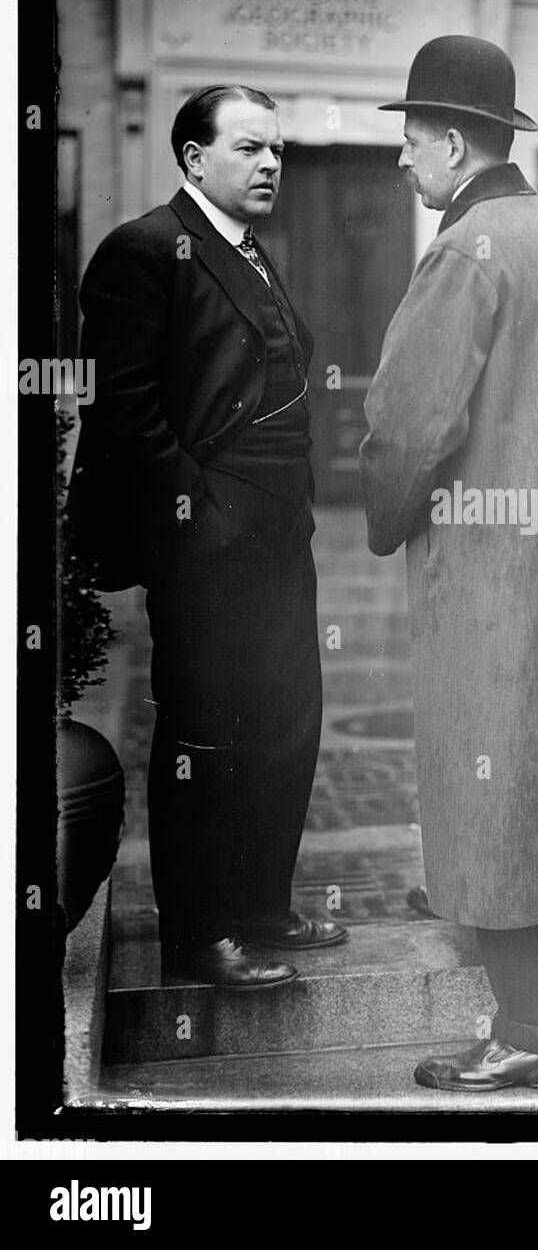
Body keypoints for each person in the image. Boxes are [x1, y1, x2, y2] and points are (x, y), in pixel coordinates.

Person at [360, 36, 538, 1090]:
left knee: (498, 785)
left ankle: (534, 1033)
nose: (401, 162)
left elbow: (404, 426)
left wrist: (392, 518)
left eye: (407, 140)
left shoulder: (464, 252)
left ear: (446, 143)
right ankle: (533, 1017)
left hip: (485, 577)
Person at [68, 85, 347, 989]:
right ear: (193, 159)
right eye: (248, 149)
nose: (270, 165)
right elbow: (126, 414)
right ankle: (201, 932)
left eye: (277, 151)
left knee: (284, 724)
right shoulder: (145, 250)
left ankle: (261, 908)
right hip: (205, 542)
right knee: (207, 734)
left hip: (276, 538)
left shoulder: (252, 253)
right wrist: (201, 513)